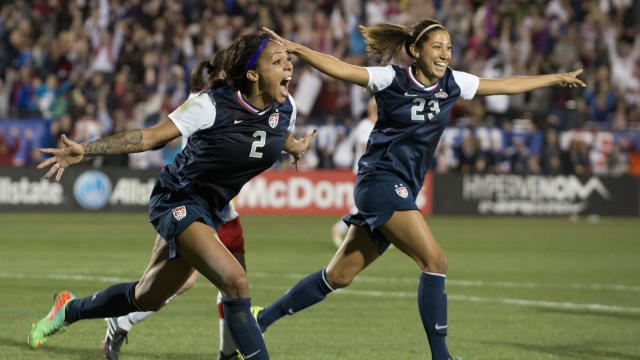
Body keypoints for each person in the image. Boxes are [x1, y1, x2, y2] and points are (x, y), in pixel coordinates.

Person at [256, 19, 584, 360]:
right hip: (380, 180)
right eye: (437, 47)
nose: (445, 54)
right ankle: (441, 356)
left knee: (338, 276)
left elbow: (506, 84)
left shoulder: (453, 82)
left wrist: (555, 78)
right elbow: (343, 70)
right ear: (415, 50)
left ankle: (260, 318)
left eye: (448, 47)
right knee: (435, 260)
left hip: (400, 187)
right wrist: (298, 50)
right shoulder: (392, 79)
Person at [29, 31, 316, 360]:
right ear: (252, 75)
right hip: (177, 198)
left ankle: (68, 310)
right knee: (236, 282)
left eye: (287, 60)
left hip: (211, 209)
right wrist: (87, 150)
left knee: (147, 296)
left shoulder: (287, 108)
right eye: (278, 61)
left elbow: (280, 136)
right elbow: (150, 137)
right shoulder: (211, 105)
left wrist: (296, 148)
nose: (289, 66)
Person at [102, 60, 250, 360]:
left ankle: (227, 353)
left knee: (233, 284)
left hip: (225, 211)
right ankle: (121, 320)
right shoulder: (201, 110)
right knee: (184, 281)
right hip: (193, 205)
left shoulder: (223, 108)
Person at [331, 96, 377, 247]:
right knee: (362, 206)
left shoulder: (374, 125)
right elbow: (365, 147)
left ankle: (381, 236)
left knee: (376, 203)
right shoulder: (366, 125)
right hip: (366, 170)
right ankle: (339, 228)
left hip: (373, 170)